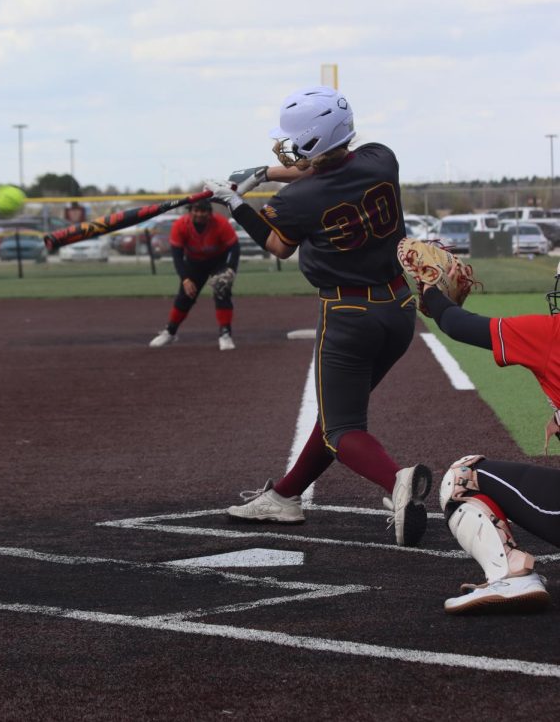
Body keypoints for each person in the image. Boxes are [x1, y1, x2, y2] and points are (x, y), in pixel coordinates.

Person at [205, 86, 432, 547]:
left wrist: (235, 204)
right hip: (398, 308)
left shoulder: (298, 200)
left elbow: (278, 245)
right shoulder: (381, 159)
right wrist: (266, 173)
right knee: (337, 415)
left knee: (342, 428)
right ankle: (285, 496)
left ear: (311, 142)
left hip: (348, 315)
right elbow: (328, 169)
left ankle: (397, 483)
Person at [420, 266, 560, 613]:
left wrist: (431, 293)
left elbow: (457, 324)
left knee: (461, 478)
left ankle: (511, 574)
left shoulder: (551, 334)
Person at [149, 198, 240, 351]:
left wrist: (230, 270)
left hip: (218, 261)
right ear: (190, 212)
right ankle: (170, 331)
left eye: (203, 210)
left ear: (209, 213)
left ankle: (225, 333)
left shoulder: (220, 223)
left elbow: (234, 248)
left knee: (222, 291)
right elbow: (177, 257)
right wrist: (185, 279)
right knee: (185, 296)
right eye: (196, 210)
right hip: (194, 263)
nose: (199, 214)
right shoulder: (180, 225)